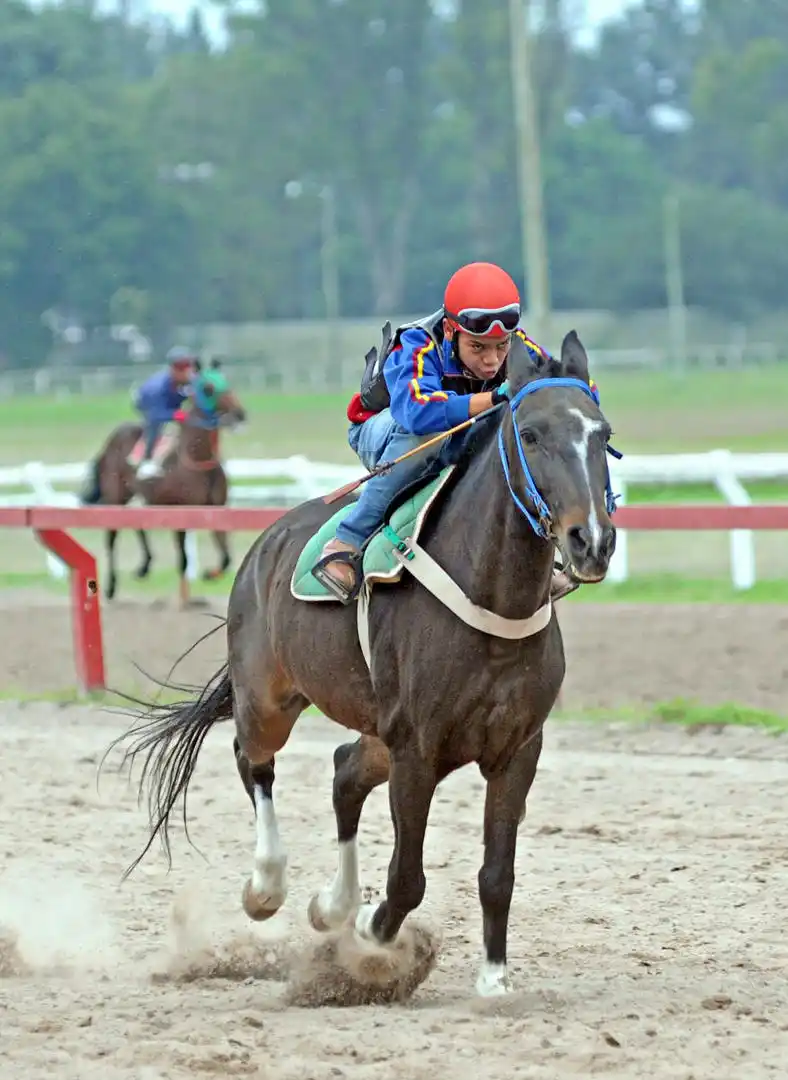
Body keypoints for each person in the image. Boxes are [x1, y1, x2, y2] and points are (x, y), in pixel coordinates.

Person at [311, 260, 599, 605]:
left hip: (456, 434)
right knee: (427, 438)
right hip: (386, 432)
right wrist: (493, 397)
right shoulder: (416, 343)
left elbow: (562, 387)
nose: (493, 360)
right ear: (450, 331)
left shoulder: (516, 343)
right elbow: (417, 412)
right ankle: (347, 541)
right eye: (478, 347)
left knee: (518, 436)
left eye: (501, 347)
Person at [131, 346, 197, 477]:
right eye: (181, 367)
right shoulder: (157, 388)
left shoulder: (190, 381)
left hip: (170, 402)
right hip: (149, 405)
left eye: (189, 366)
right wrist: (178, 415)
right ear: (172, 369)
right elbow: (156, 414)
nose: (187, 371)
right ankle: (147, 459)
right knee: (155, 426)